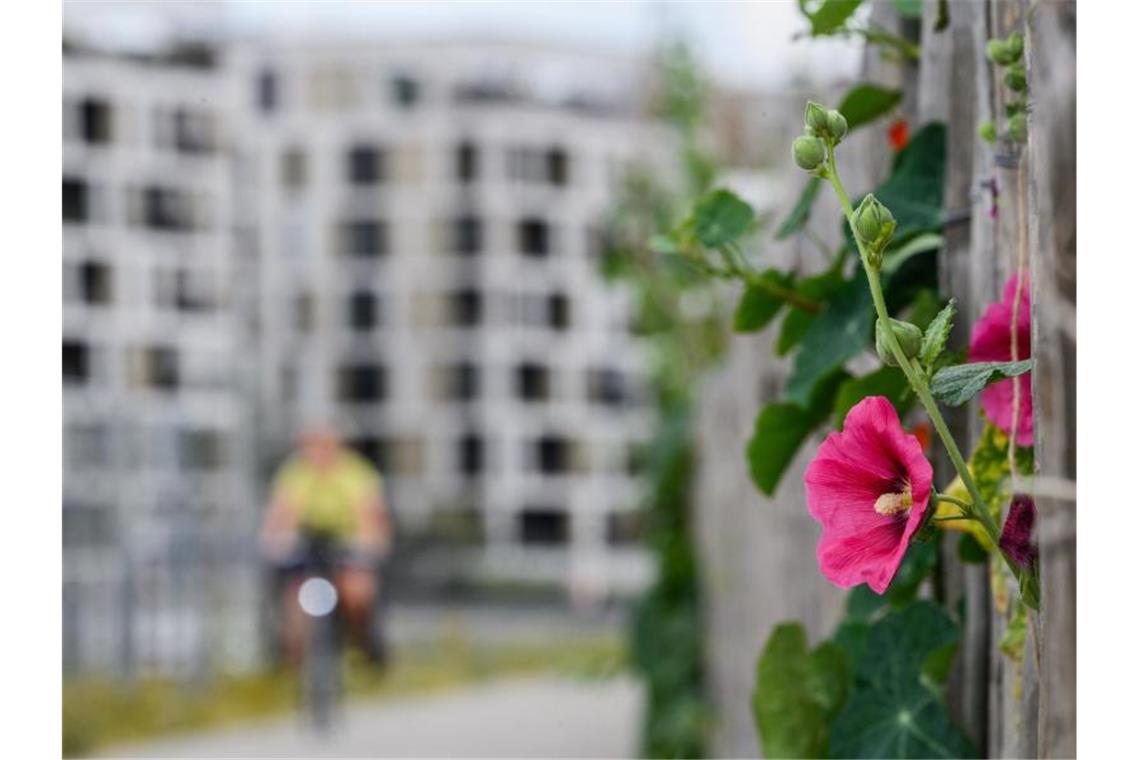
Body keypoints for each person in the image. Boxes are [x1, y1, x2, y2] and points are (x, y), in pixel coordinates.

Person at [260, 427, 392, 666]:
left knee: (357, 592)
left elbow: (369, 515)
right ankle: (294, 664)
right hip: (308, 546)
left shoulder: (355, 473)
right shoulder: (296, 473)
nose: (317, 453)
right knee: (295, 601)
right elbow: (283, 512)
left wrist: (371, 541)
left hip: (346, 547)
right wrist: (275, 541)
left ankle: (361, 646)